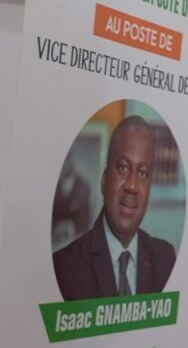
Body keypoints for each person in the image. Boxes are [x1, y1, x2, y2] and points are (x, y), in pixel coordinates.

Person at [53, 115, 175, 300]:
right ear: (104, 180)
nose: (132, 186)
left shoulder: (165, 260)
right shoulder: (65, 269)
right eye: (123, 168)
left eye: (142, 173)